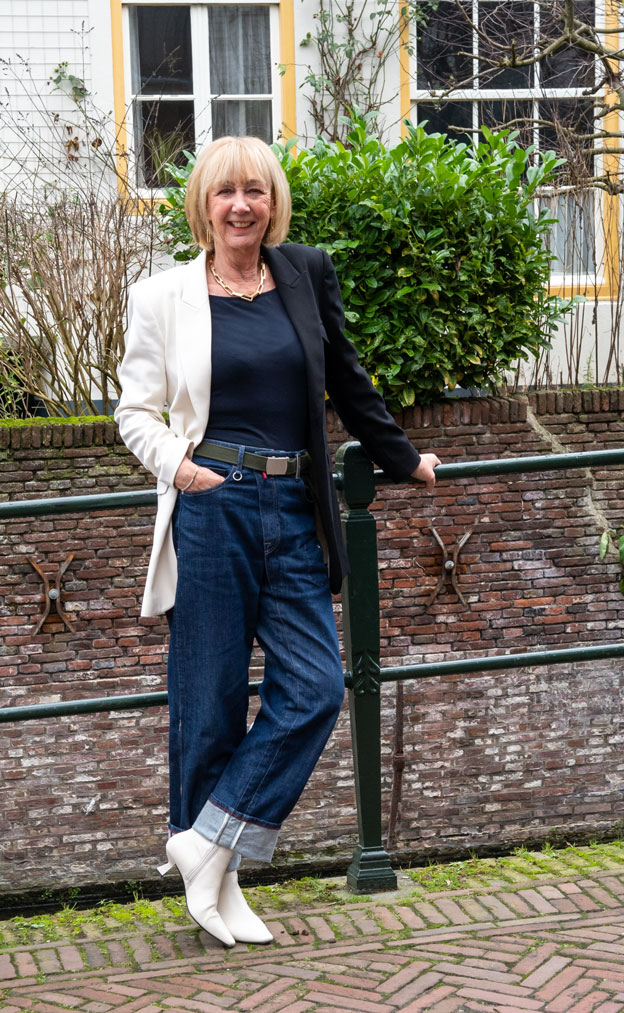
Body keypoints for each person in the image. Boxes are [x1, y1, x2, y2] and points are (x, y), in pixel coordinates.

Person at [114, 135, 440, 948]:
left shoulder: (302, 273)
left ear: (272, 201)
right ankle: (215, 885)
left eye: (255, 191)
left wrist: (402, 459)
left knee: (316, 687)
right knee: (211, 699)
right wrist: (181, 470)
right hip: (214, 505)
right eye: (225, 192)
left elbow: (346, 377)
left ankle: (203, 841)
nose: (240, 206)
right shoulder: (162, 295)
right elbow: (133, 411)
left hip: (294, 504)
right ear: (203, 204)